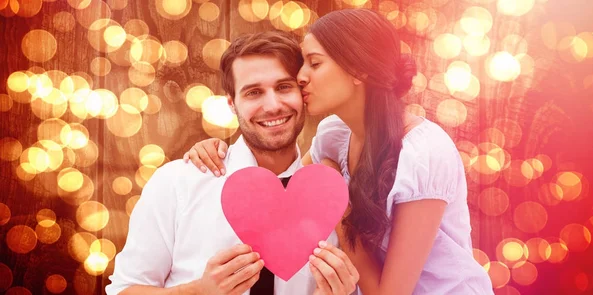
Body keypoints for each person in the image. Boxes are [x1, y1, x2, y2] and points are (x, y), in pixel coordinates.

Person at [183, 9, 494, 295]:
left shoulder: (423, 153)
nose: (301, 76)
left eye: (315, 63)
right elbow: (281, 187)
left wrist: (339, 205)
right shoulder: (334, 136)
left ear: (358, 69)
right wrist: (221, 150)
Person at [106, 30, 359, 295]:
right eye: (253, 93)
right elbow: (124, 290)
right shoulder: (178, 182)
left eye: (284, 87)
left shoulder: (332, 200)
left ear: (302, 92)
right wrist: (197, 291)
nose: (272, 106)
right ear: (232, 104)